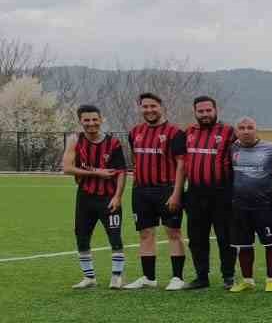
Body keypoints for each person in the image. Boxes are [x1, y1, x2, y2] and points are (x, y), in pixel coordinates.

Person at [125, 92, 188, 290]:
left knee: (174, 232)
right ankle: (148, 278)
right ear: (140, 108)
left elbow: (181, 165)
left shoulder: (175, 133)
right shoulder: (134, 132)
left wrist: (176, 192)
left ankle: (177, 277)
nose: (149, 110)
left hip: (167, 189)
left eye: (153, 106)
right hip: (141, 190)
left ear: (161, 107)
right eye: (145, 106)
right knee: (145, 234)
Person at [62, 104, 127, 289]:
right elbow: (66, 168)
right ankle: (89, 278)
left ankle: (116, 277)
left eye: (94, 119)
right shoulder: (74, 140)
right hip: (85, 197)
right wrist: (97, 172)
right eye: (86, 120)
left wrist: (118, 196)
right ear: (80, 121)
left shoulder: (113, 143)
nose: (91, 123)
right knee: (82, 236)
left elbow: (121, 172)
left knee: (114, 237)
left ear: (101, 119)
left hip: (108, 198)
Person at [182, 95, 234, 290]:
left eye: (208, 110)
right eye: (200, 111)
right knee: (197, 238)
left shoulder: (229, 132)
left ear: (215, 110)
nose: (204, 114)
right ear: (195, 112)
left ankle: (228, 276)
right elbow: (180, 163)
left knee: (225, 237)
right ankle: (201, 277)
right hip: (195, 194)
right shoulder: (188, 132)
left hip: (221, 193)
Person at [227, 117, 272, 292]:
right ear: (237, 131)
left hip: (264, 205)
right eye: (242, 128)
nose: (246, 131)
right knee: (244, 245)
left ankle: (271, 279)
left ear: (256, 130)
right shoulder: (231, 148)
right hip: (239, 206)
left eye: (250, 127)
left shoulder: (271, 148)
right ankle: (247, 280)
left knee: (270, 243)